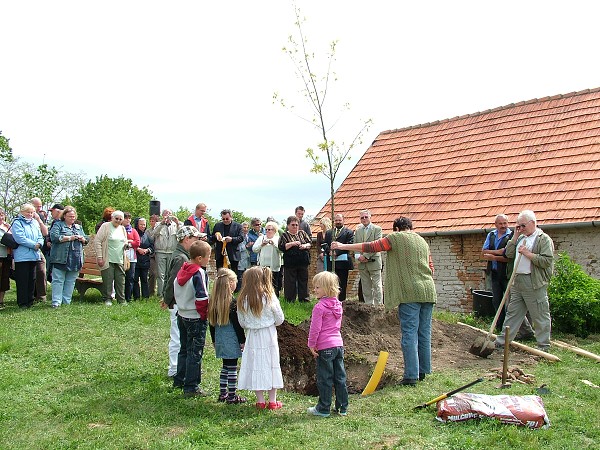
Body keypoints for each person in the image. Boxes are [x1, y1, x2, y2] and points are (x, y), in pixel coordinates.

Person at [332, 217, 436, 385]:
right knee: (424, 332)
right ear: (411, 227)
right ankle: (423, 371)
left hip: (409, 293)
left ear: (396, 229)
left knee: (409, 333)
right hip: (428, 291)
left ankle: (411, 376)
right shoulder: (422, 241)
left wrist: (343, 246)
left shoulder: (395, 238)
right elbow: (431, 268)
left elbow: (372, 247)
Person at [495, 210, 554, 352]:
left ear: (532, 223)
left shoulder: (542, 239)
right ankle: (502, 342)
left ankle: (543, 346)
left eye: (522, 226)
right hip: (517, 281)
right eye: (518, 226)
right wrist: (515, 237)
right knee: (513, 313)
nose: (520, 229)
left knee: (539, 314)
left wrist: (528, 254)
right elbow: (508, 254)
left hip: (533, 282)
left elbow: (546, 261)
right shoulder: (520, 238)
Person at [237, 266, 285, 410]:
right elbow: (280, 318)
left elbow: (242, 322)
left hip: (252, 336)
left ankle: (260, 401)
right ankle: (272, 401)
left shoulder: (242, 299)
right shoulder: (269, 296)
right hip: (268, 334)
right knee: (271, 364)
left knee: (256, 365)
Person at [482, 214, 534, 337]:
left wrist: (494, 257)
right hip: (494, 273)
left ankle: (520, 330)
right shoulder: (492, 235)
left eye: (505, 223)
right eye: (500, 224)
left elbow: (508, 256)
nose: (503, 226)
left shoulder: (513, 236)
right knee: (497, 301)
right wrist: (498, 252)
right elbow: (483, 252)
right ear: (496, 225)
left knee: (511, 304)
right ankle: (500, 327)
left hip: (507, 274)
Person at [307, 271, 349, 418]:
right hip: (338, 345)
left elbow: (315, 328)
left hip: (325, 347)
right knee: (340, 377)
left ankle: (323, 408)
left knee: (325, 378)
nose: (315, 290)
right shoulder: (338, 305)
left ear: (326, 288)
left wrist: (311, 344)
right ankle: (342, 407)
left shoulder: (319, 307)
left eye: (317, 287)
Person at [173, 240, 212, 397]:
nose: (209, 259)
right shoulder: (198, 272)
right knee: (195, 352)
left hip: (182, 314)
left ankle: (180, 379)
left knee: (184, 349)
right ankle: (191, 387)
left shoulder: (183, 268)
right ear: (199, 258)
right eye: (208, 256)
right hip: (195, 316)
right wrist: (204, 316)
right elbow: (202, 297)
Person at [164, 225, 202, 378]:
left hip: (178, 303)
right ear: (187, 239)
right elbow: (172, 281)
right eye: (195, 239)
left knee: (180, 337)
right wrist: (167, 300)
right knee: (177, 337)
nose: (197, 241)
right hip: (177, 304)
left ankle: (179, 368)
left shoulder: (182, 255)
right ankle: (174, 368)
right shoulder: (182, 258)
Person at [208, 268, 247, 404]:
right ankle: (232, 395)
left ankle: (223, 393)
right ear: (230, 283)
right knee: (232, 368)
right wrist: (242, 341)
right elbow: (237, 326)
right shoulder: (232, 303)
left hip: (219, 338)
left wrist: (213, 340)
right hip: (231, 339)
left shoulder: (213, 302)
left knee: (225, 367)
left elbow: (211, 324)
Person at [48, 206, 88, 307]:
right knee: (58, 280)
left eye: (73, 216)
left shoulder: (78, 227)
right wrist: (70, 238)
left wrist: (82, 239)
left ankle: (66, 302)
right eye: (70, 216)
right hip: (60, 258)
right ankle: (56, 302)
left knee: (70, 281)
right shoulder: (58, 225)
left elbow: (87, 239)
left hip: (75, 258)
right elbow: (54, 237)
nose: (72, 218)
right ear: (64, 216)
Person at [11, 203, 45, 309]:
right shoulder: (17, 223)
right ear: (22, 212)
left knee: (32, 279)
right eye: (28, 212)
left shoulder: (35, 223)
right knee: (22, 279)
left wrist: (40, 244)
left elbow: (40, 236)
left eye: (32, 212)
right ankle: (22, 302)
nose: (30, 214)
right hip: (22, 256)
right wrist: (33, 245)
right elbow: (20, 238)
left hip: (34, 255)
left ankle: (30, 300)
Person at [94, 210, 128, 306]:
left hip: (120, 258)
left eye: (120, 219)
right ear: (112, 218)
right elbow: (97, 241)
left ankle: (121, 300)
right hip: (107, 258)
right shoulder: (105, 226)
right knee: (108, 279)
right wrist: (100, 257)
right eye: (116, 218)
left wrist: (126, 244)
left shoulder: (122, 228)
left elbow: (124, 240)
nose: (118, 220)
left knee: (120, 280)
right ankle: (107, 299)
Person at [148, 209, 180, 300]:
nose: (168, 215)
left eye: (169, 213)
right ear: (162, 215)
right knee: (160, 274)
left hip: (171, 252)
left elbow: (181, 235)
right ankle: (161, 294)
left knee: (169, 274)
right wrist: (162, 223)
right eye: (166, 214)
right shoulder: (158, 224)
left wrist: (177, 223)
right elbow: (153, 234)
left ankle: (168, 293)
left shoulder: (175, 225)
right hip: (160, 252)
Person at [278, 216, 312, 302]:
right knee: (290, 282)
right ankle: (290, 300)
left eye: (296, 225)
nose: (295, 226)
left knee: (303, 280)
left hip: (303, 261)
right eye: (293, 225)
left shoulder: (303, 233)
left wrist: (304, 246)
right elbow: (282, 247)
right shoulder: (284, 235)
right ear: (288, 225)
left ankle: (304, 299)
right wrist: (292, 243)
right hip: (290, 262)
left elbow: (310, 243)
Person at [354, 209, 383, 306]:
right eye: (362, 217)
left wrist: (365, 256)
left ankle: (378, 306)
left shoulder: (377, 229)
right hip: (362, 263)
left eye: (366, 217)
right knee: (366, 286)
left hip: (374, 261)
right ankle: (369, 306)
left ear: (370, 217)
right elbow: (355, 245)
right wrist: (358, 257)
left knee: (377, 285)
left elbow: (377, 245)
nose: (364, 219)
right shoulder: (358, 231)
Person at [323, 214, 354, 301]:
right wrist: (329, 251)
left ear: (343, 220)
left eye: (340, 220)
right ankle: (331, 301)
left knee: (342, 284)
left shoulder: (349, 232)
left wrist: (337, 252)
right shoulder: (329, 232)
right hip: (331, 262)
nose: (338, 222)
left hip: (343, 264)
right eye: (336, 220)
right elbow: (324, 244)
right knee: (331, 283)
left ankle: (341, 302)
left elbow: (349, 245)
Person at [252, 221, 282, 296]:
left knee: (274, 284)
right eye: (266, 229)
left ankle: (275, 299)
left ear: (274, 230)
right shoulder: (261, 238)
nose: (267, 231)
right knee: (263, 283)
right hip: (263, 265)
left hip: (274, 265)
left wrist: (274, 244)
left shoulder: (278, 239)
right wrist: (262, 244)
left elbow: (281, 250)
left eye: (270, 229)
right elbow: (254, 249)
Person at [211, 209, 243, 273]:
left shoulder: (238, 226)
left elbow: (241, 238)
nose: (225, 220)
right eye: (223, 219)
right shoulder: (217, 225)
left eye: (227, 219)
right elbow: (212, 238)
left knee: (233, 275)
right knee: (220, 274)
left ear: (231, 217)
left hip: (233, 255)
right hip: (220, 255)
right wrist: (216, 236)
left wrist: (232, 239)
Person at [30, 197, 49, 303]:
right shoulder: (21, 216)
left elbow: (45, 233)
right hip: (25, 248)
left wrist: (38, 219)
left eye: (40, 206)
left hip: (38, 248)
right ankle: (30, 295)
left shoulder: (40, 216)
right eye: (37, 206)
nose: (39, 208)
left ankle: (41, 296)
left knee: (41, 269)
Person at [133, 217, 153, 299]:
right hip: (135, 260)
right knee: (135, 279)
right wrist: (138, 249)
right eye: (141, 224)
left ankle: (145, 297)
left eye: (144, 224)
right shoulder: (134, 233)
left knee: (144, 279)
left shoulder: (147, 235)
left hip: (145, 260)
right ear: (137, 225)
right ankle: (136, 297)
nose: (143, 226)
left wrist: (147, 250)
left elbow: (152, 247)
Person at [122, 212, 140, 302]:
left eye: (129, 218)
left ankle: (128, 297)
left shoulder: (133, 231)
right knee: (120, 277)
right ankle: (120, 296)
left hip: (131, 258)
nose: (128, 220)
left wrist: (129, 242)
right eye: (126, 218)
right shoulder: (119, 229)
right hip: (120, 256)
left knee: (130, 278)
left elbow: (137, 242)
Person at [44, 203, 65, 282]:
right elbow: (49, 234)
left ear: (58, 211)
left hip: (60, 253)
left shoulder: (67, 222)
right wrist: (48, 241)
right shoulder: (54, 222)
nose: (51, 213)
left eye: (52, 211)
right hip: (51, 252)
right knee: (48, 271)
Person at [0, 208, 12, 309]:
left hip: (6, 256)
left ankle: (1, 301)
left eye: (2, 215)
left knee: (4, 279)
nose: (1, 217)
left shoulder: (7, 227)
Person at [236, 221, 251, 291]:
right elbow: (238, 248)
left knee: (247, 275)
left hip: (248, 259)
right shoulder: (239, 236)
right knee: (240, 276)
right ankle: (239, 290)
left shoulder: (248, 236)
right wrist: (246, 246)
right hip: (240, 258)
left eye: (247, 228)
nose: (246, 229)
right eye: (244, 227)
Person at [147, 214, 159, 296]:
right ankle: (151, 291)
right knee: (152, 273)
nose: (152, 222)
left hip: (160, 252)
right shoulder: (148, 231)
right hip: (152, 254)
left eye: (153, 221)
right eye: (150, 221)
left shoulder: (161, 229)